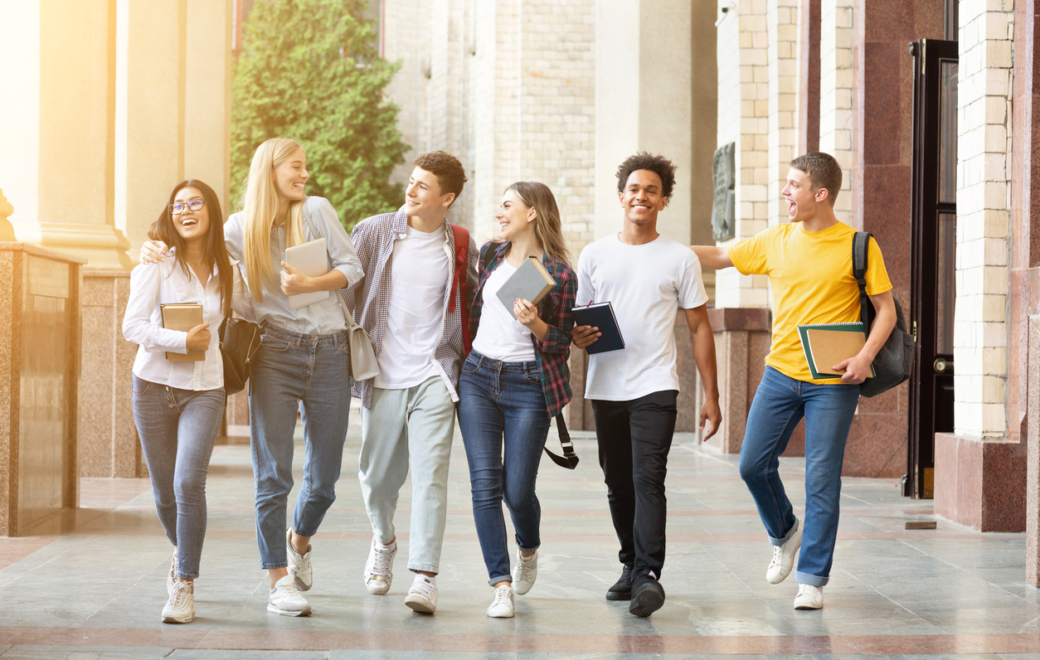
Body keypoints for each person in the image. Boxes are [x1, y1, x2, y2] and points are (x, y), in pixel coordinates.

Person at [140, 138, 365, 617]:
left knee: (324, 479)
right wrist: (151, 244)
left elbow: (353, 266)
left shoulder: (318, 210)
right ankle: (278, 579)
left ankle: (299, 539)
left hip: (329, 350)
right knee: (273, 474)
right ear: (271, 171)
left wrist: (313, 283)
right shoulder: (239, 228)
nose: (305, 175)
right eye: (296, 167)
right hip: (275, 352)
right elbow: (191, 242)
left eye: (305, 167)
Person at [690, 152, 896, 610]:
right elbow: (721, 254)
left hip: (834, 380)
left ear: (819, 194)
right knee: (751, 465)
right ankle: (784, 533)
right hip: (780, 373)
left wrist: (865, 356)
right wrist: (657, 249)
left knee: (821, 479)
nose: (785, 192)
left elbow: (887, 309)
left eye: (793, 184)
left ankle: (812, 578)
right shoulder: (776, 240)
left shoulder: (858, 245)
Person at [571, 152, 721, 618]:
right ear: (621, 197)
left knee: (647, 478)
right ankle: (630, 564)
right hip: (606, 384)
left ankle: (648, 575)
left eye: (651, 190)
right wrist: (578, 336)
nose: (642, 196)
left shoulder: (680, 258)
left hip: (656, 385)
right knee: (618, 484)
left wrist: (712, 395)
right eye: (634, 189)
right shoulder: (594, 254)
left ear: (664, 200)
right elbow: (579, 322)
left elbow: (699, 327)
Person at [343, 151, 477, 614]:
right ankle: (384, 541)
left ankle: (424, 576)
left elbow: (473, 304)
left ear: (448, 198)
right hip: (381, 373)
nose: (412, 190)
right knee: (377, 478)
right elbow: (344, 291)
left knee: (431, 476)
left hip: (435, 372)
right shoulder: (375, 231)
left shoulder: (459, 243)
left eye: (423, 186)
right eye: (413, 181)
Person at [123, 179, 254, 623]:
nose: (185, 211)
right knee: (163, 493)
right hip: (154, 385)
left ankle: (184, 581)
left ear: (211, 213)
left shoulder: (228, 268)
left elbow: (251, 310)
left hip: (206, 388)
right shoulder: (157, 262)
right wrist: (179, 338)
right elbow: (132, 326)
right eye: (178, 205)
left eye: (195, 203)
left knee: (186, 484)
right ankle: (181, 548)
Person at [458, 182, 577, 618]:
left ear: (532, 213)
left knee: (517, 491)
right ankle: (500, 583)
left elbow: (562, 342)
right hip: (478, 377)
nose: (499, 213)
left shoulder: (560, 274)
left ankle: (528, 547)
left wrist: (536, 324)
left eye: (507, 205)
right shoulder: (491, 253)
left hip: (529, 384)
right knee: (485, 485)